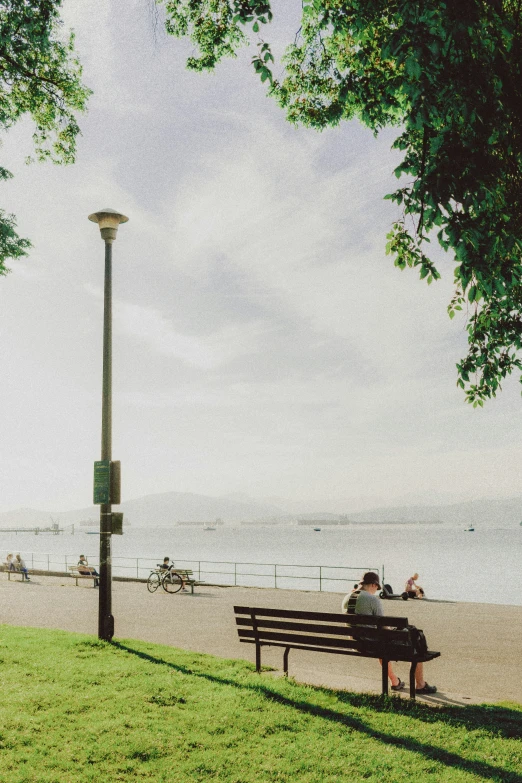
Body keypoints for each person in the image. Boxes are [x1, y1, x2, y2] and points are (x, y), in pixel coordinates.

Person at [342, 571, 436, 695]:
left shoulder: (346, 598)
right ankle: (420, 685)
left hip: (356, 643)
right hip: (372, 644)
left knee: (381, 643)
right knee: (415, 639)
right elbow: (383, 627)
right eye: (376, 588)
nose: (375, 591)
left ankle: (394, 681)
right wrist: (393, 630)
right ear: (373, 585)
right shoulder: (371, 599)